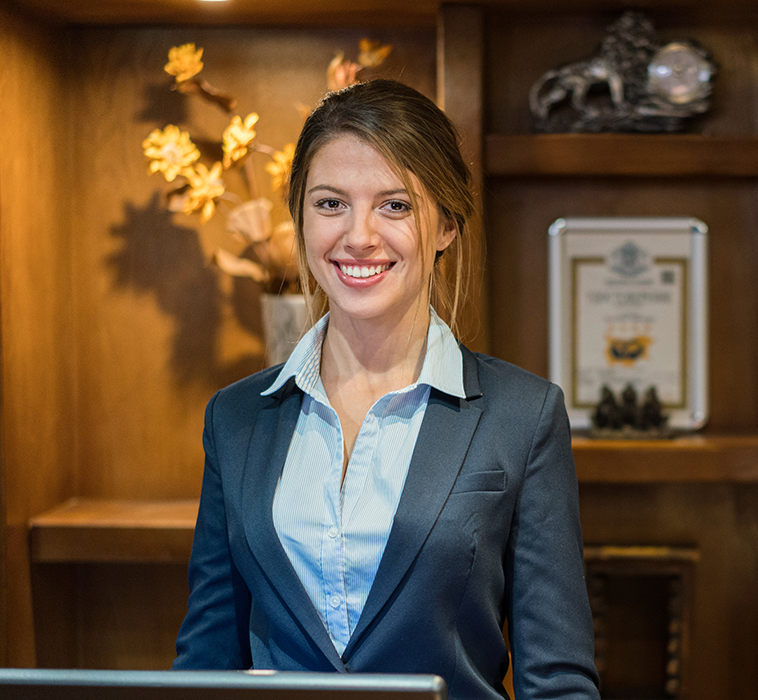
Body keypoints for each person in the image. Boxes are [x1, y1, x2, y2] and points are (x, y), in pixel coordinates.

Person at [172, 79, 601, 700]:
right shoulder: (234, 417)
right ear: (299, 215)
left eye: (395, 205)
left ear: (447, 223)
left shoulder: (523, 416)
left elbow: (558, 682)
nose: (359, 236)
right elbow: (205, 665)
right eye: (330, 204)